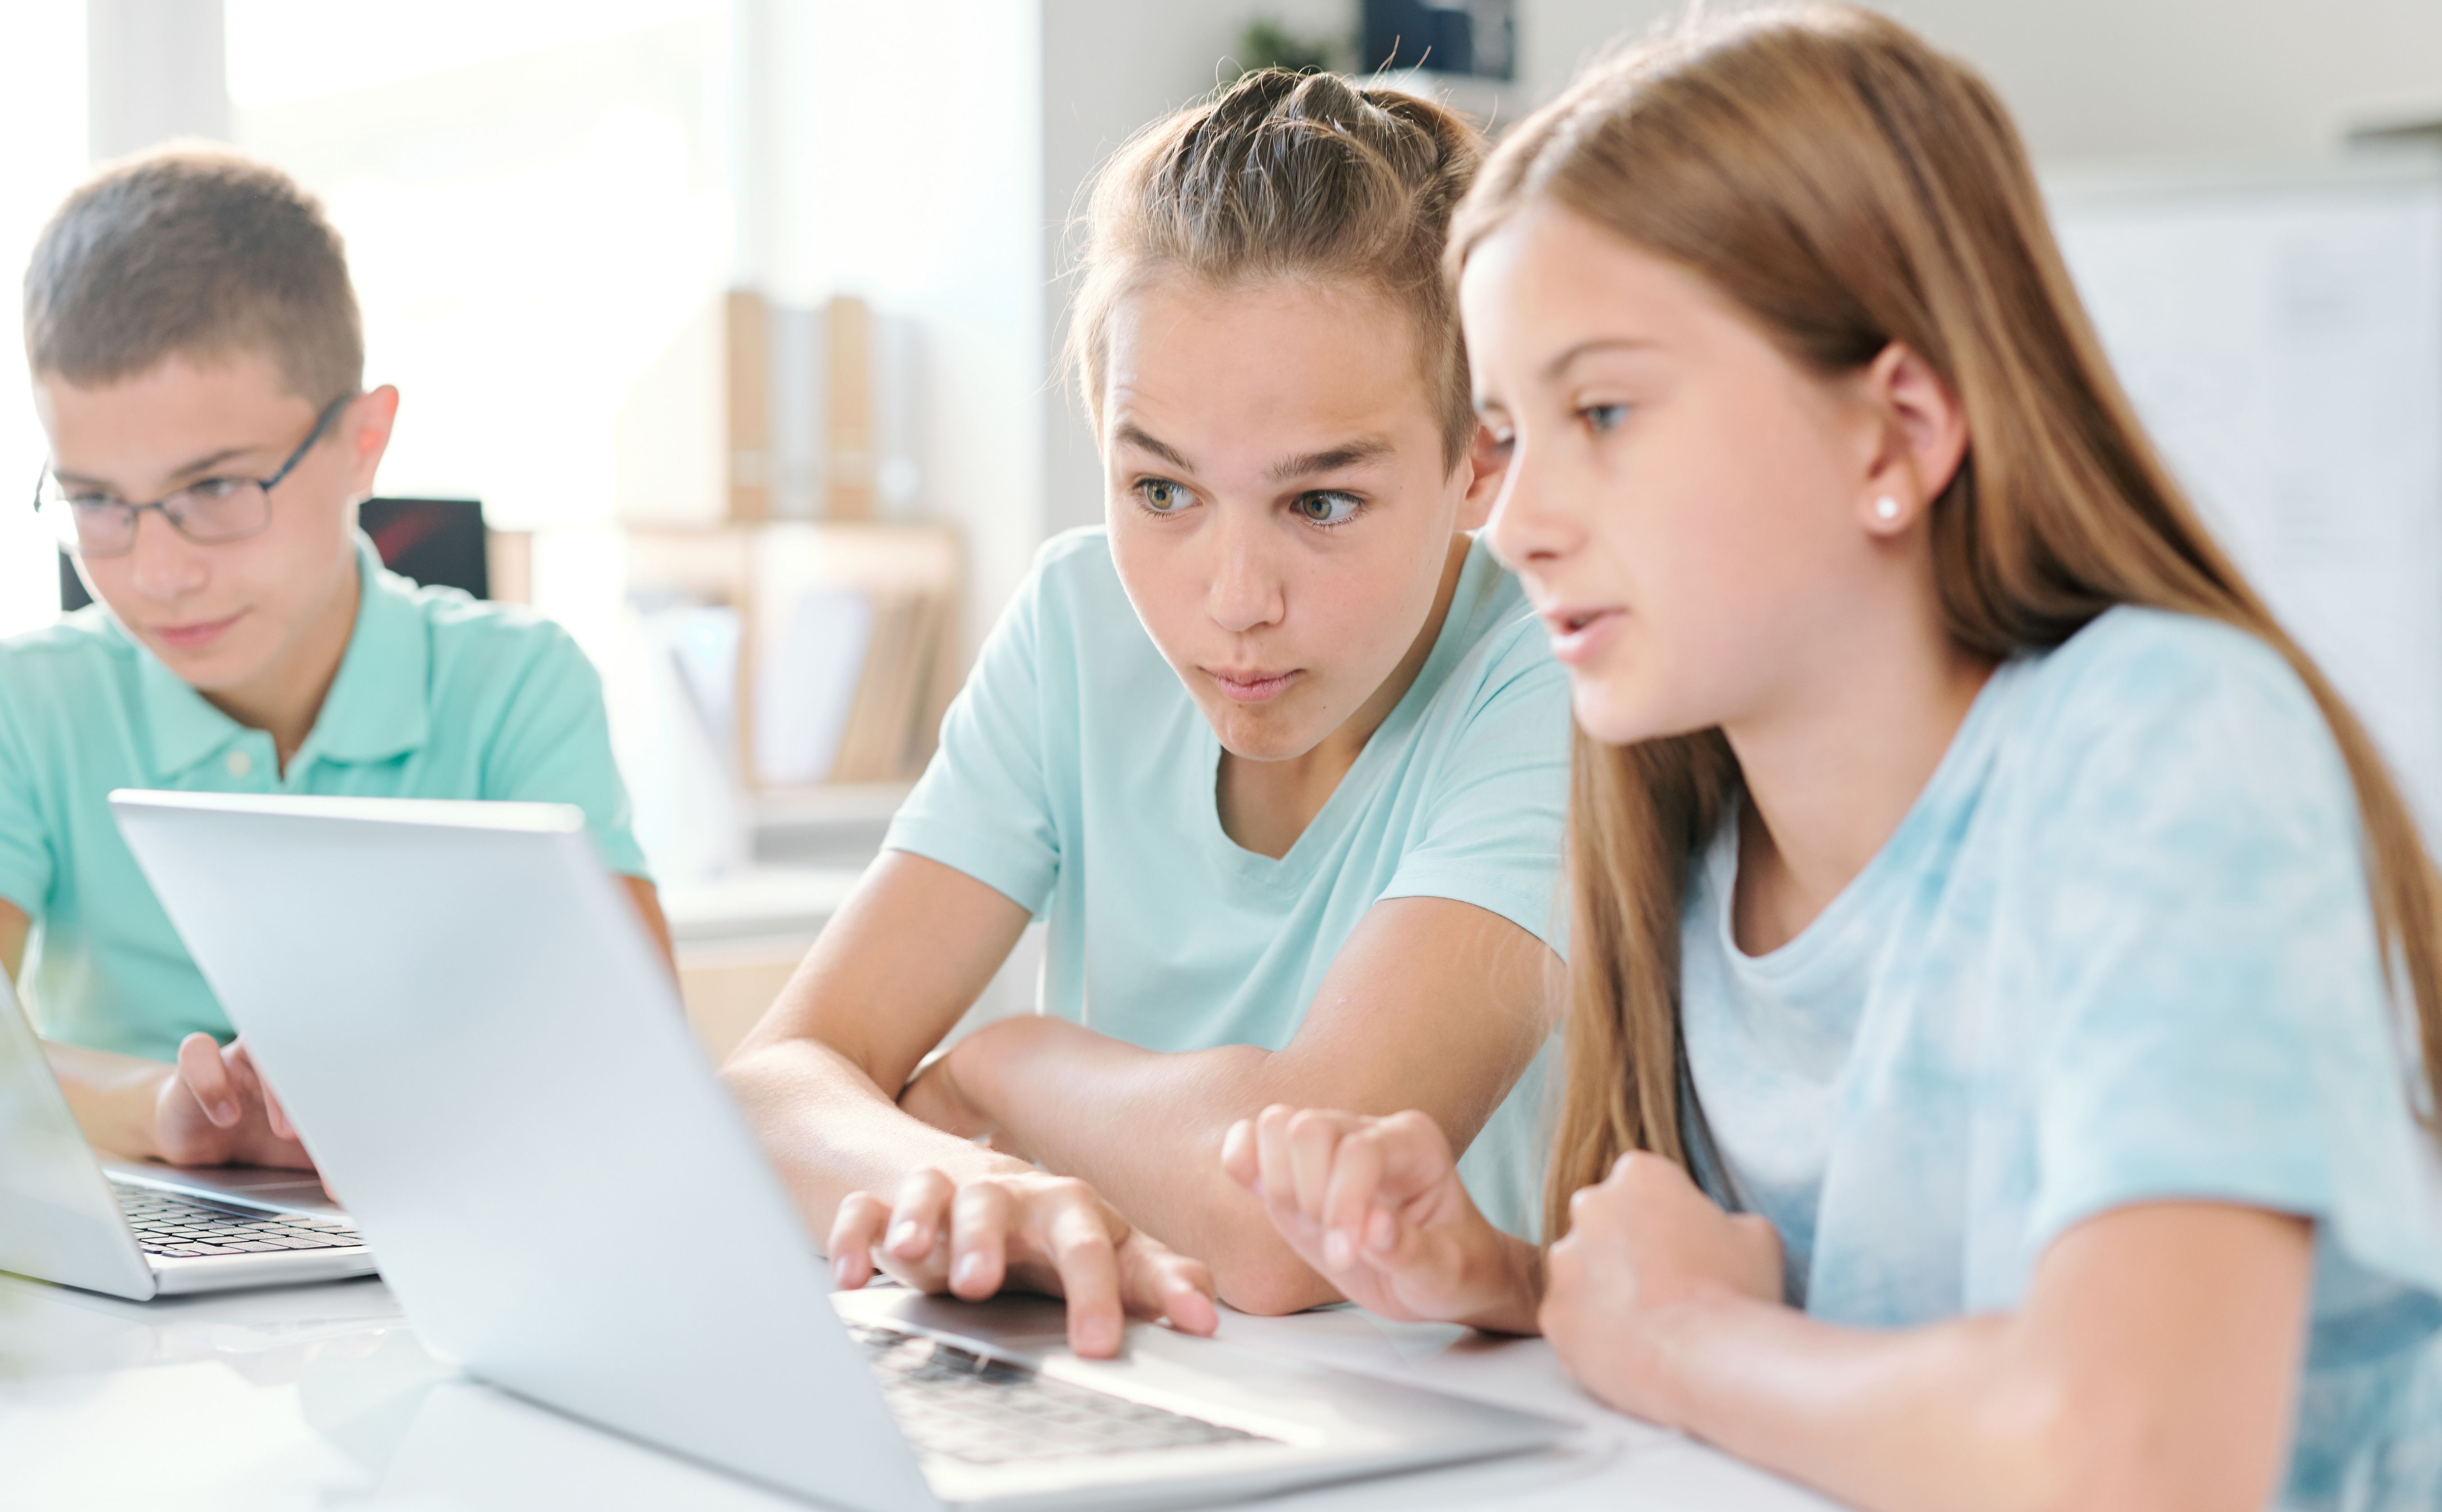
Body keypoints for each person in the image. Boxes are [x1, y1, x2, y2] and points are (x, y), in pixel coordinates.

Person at [1224, 8, 2442, 1509]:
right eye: (1506, 434)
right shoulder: (1691, 840)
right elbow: (1860, 1357)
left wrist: (1672, 1335)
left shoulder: (2171, 741)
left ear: (1896, 433)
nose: (1517, 520)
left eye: (1602, 409)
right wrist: (1523, 1280)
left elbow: (2139, 1452)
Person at [723, 70, 1572, 1359]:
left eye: (1321, 503)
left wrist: (1005, 1068)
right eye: (1162, 489)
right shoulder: (1078, 621)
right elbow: (773, 1084)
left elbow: (1293, 1227)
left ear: (1479, 461)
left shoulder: (1552, 670)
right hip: (1128, 1383)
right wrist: (961, 1181)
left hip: (1454, 1431)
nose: (1232, 601)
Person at [0, 147, 669, 1174]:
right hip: (139, 1227)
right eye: (97, 500)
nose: (158, 571)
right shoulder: (25, 702)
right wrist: (166, 1112)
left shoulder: (517, 686)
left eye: (220, 489)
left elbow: (635, 1055)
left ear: (365, 442)